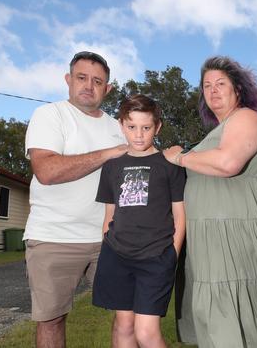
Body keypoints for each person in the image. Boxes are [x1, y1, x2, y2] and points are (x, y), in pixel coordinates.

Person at [163, 56, 257, 348]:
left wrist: (178, 157)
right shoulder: (215, 132)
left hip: (236, 236)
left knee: (250, 319)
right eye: (206, 86)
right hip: (209, 239)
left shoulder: (247, 118)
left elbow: (228, 162)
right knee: (220, 321)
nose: (213, 91)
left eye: (221, 84)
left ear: (238, 89)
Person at [23, 51, 128, 348]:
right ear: (68, 80)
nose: (89, 86)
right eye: (82, 78)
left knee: (127, 314)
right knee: (52, 319)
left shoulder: (119, 128)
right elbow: (46, 170)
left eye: (98, 81)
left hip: (110, 238)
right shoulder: (50, 115)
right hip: (54, 236)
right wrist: (108, 153)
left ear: (107, 89)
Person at [92, 94, 186, 348]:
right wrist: (107, 246)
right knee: (124, 326)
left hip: (156, 257)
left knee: (146, 333)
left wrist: (171, 256)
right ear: (122, 125)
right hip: (117, 255)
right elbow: (110, 214)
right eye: (132, 127)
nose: (139, 135)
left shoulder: (170, 165)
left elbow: (180, 215)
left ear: (158, 127)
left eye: (146, 128)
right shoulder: (112, 167)